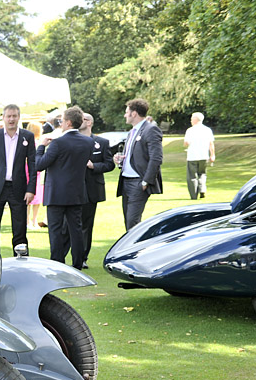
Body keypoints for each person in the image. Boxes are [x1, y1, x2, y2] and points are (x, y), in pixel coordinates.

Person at [36, 106, 95, 267]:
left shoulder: (58, 143)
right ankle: (77, 263)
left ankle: (57, 264)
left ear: (68, 122)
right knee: (75, 230)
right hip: (76, 192)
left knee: (55, 231)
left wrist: (41, 146)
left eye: (62, 120)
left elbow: (39, 165)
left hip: (56, 193)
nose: (60, 123)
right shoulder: (88, 142)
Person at [0, 104, 37, 255]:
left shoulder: (27, 137)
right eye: (8, 116)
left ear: (19, 117)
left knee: (19, 228)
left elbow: (32, 165)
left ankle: (21, 262)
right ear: (3, 118)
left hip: (18, 188)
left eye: (14, 116)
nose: (11, 119)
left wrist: (31, 189)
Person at [114, 98, 164, 230]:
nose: (125, 115)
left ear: (134, 113)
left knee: (132, 223)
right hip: (125, 181)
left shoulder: (151, 130)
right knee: (128, 222)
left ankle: (134, 250)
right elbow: (132, 156)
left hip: (138, 183)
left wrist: (146, 181)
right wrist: (120, 159)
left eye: (127, 112)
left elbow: (156, 158)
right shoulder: (131, 132)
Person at [79, 113, 115, 267]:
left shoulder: (101, 142)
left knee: (87, 224)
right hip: (73, 188)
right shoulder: (71, 141)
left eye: (83, 119)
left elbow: (109, 164)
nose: (80, 120)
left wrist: (94, 166)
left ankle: (83, 258)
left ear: (90, 123)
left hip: (92, 188)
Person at [183, 112, 215, 199]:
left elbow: (186, 143)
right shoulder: (207, 130)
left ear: (195, 120)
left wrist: (186, 144)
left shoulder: (190, 130)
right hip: (204, 156)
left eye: (192, 119)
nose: (191, 120)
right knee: (202, 174)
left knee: (192, 176)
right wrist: (212, 155)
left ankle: (194, 195)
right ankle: (202, 189)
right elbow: (211, 144)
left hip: (192, 156)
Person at [25, 122, 45, 230]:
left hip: (36, 172)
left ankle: (33, 220)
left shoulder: (38, 142)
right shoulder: (30, 143)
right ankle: (30, 221)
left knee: (37, 197)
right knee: (30, 197)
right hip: (30, 171)